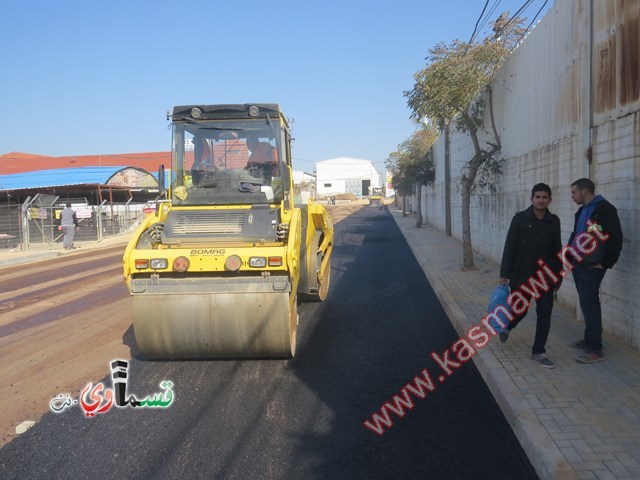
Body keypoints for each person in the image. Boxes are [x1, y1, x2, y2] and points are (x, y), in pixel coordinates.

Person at [499, 183, 563, 368]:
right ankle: (508, 326)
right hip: (522, 274)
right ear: (532, 199)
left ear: (550, 200)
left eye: (545, 197)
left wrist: (558, 275)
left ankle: (539, 351)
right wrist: (504, 273)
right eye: (538, 197)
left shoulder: (554, 222)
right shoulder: (519, 219)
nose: (541, 200)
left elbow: (557, 250)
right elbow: (510, 246)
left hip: (545, 276)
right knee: (521, 310)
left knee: (545, 312)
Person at [568, 178, 623, 364]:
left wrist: (606, 263)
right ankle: (589, 339)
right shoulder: (583, 210)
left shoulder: (605, 209)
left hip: (592, 266)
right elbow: (576, 233)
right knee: (586, 303)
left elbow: (616, 238)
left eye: (574, 192)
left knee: (590, 304)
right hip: (578, 264)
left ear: (584, 191)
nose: (572, 196)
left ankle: (595, 349)